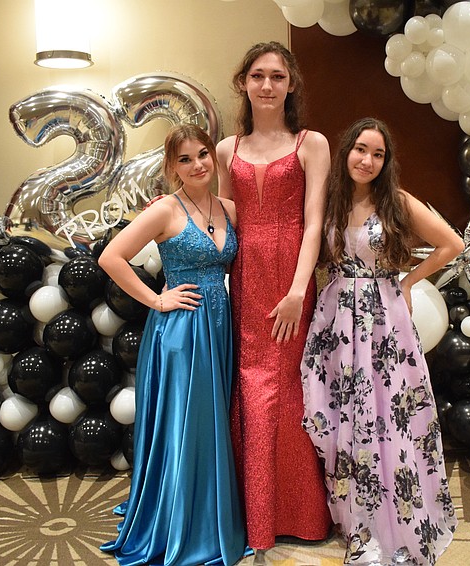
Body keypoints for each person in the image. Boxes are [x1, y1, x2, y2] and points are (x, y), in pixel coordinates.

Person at [301, 118, 464, 565]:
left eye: (378, 154)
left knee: (388, 415)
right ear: (345, 152)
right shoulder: (329, 201)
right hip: (335, 318)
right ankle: (354, 518)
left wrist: (409, 281)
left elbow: (452, 244)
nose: (367, 160)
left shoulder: (397, 202)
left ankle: (381, 524)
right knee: (336, 416)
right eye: (360, 149)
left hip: (383, 318)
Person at [99, 123, 246, 566]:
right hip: (181, 334)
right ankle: (184, 524)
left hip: (219, 328)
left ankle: (208, 512)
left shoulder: (229, 209)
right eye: (185, 158)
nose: (198, 164)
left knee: (211, 422)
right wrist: (157, 299)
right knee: (187, 425)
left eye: (203, 154)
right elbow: (111, 257)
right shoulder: (165, 208)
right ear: (171, 167)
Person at [215, 41, 332, 551]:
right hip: (244, 278)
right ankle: (256, 515)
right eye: (258, 75)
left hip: (291, 277)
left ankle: (302, 515)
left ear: (291, 84)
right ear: (243, 82)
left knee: (287, 390)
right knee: (251, 386)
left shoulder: (312, 143)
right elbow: (223, 222)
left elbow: (313, 223)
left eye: (277, 77)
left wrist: (297, 290)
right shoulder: (226, 149)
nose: (267, 85)